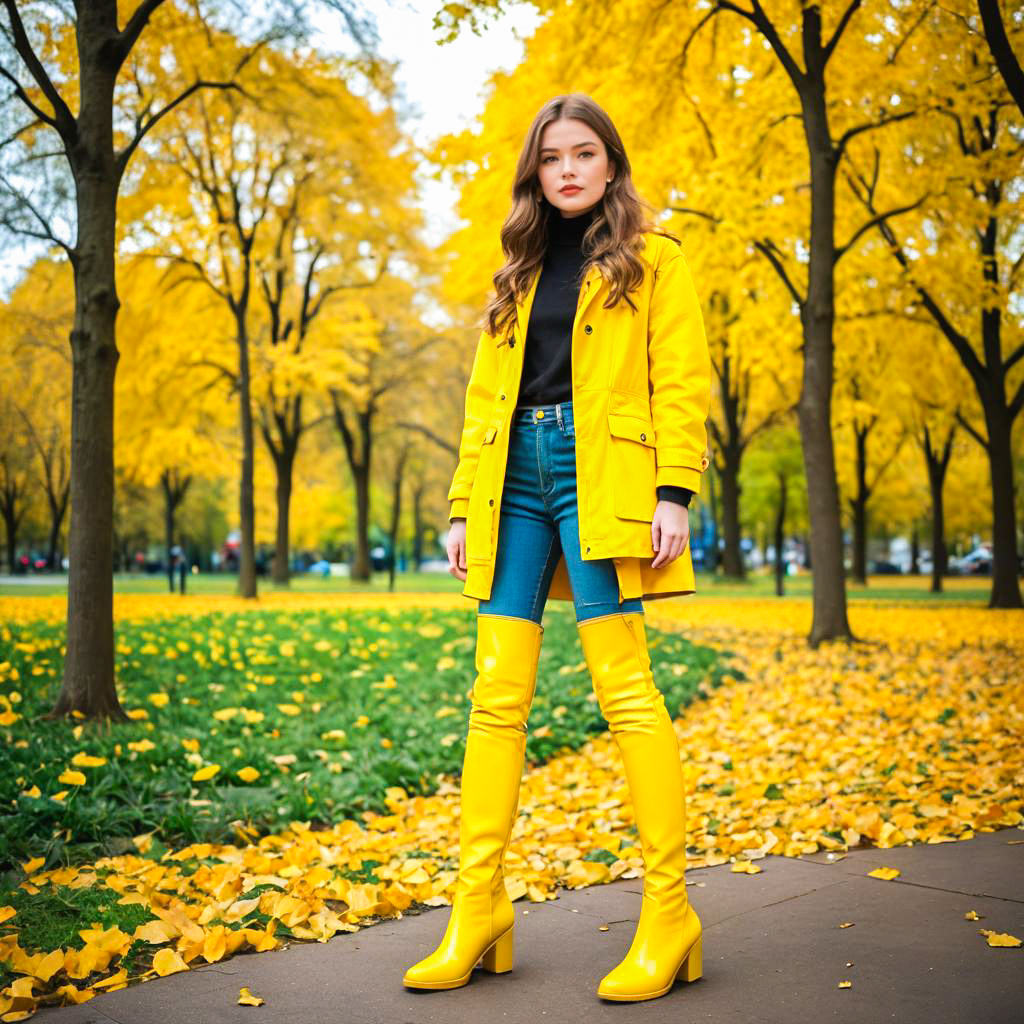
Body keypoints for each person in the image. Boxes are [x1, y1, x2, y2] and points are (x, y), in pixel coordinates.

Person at [403, 93, 711, 1003]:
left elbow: (683, 382)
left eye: (585, 153)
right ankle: (478, 907)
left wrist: (674, 492)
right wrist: (463, 507)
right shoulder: (518, 269)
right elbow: (480, 400)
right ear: (535, 172)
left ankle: (670, 914)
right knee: (496, 698)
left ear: (611, 164)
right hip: (514, 484)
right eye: (552, 157)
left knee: (625, 691)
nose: (568, 168)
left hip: (601, 479)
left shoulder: (656, 261)